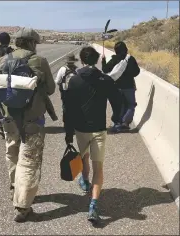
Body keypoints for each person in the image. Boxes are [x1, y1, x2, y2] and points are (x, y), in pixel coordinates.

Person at [0, 28, 56, 222]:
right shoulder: (39, 61)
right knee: (29, 160)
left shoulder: (2, 60)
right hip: (32, 121)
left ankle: (15, 190)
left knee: (12, 154)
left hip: (8, 119)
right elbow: (51, 89)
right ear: (31, 43)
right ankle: (23, 206)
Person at [64, 46, 122, 223]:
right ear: (96, 60)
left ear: (82, 60)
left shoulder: (73, 80)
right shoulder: (105, 79)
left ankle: (84, 180)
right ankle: (93, 206)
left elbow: (68, 109)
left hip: (81, 129)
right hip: (99, 129)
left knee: (84, 157)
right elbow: (117, 100)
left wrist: (68, 133)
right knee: (99, 167)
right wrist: (115, 118)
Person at [102, 41, 140, 132]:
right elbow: (136, 72)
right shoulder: (130, 59)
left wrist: (103, 60)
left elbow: (105, 70)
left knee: (120, 105)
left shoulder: (114, 59)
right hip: (129, 86)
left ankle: (118, 124)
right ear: (125, 49)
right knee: (131, 105)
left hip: (116, 87)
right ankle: (125, 122)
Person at [55, 53, 78, 130]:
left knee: (65, 107)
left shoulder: (62, 69)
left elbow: (58, 81)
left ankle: (67, 124)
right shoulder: (77, 69)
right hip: (75, 92)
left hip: (65, 92)